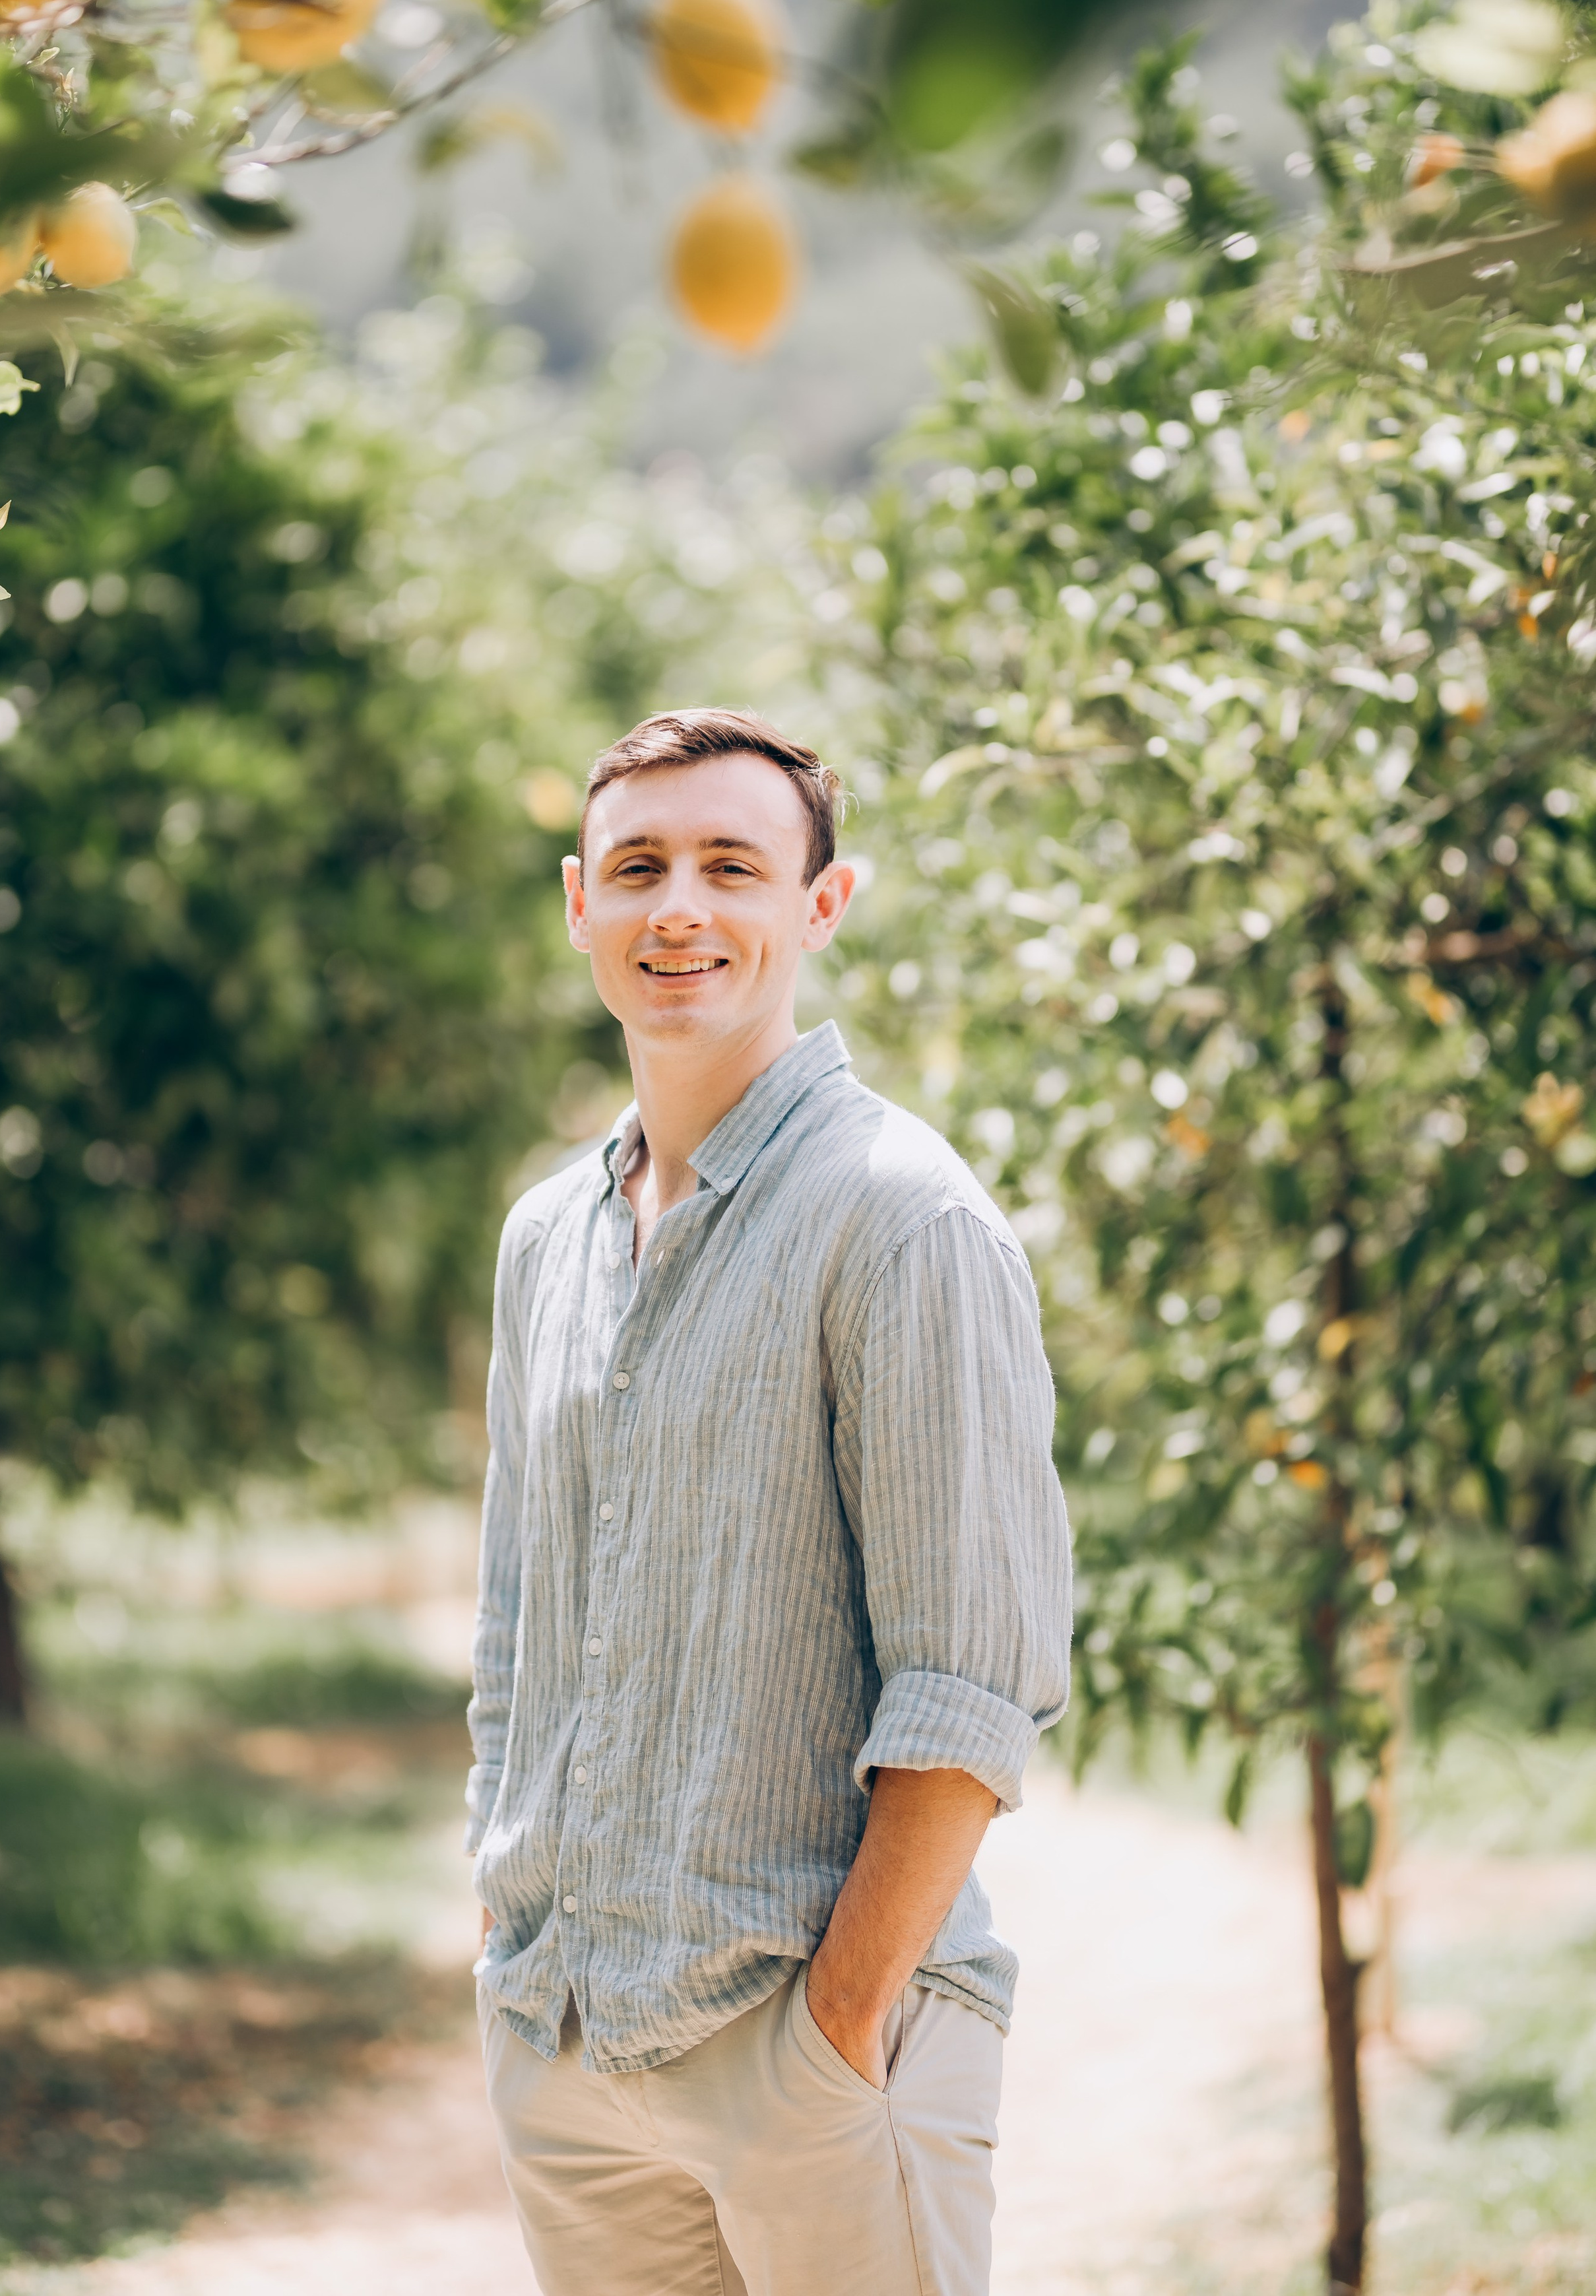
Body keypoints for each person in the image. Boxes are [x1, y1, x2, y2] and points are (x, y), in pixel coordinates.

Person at [467, 707, 1071, 2296]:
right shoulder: (545, 1239)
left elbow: (970, 1684)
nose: (678, 907)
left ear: (821, 904)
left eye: (731, 866)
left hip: (809, 2052)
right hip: (566, 2044)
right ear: (578, 903)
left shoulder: (900, 1219)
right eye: (637, 867)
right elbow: (518, 1629)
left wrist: (837, 2031)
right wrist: (511, 1945)